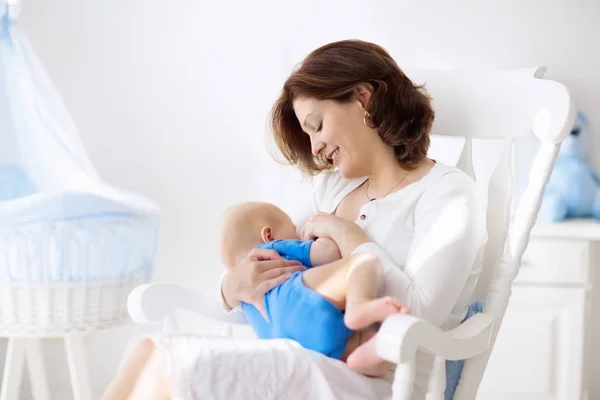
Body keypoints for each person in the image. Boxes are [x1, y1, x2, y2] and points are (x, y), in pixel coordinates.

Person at [102, 39, 487, 400]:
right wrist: (230, 286)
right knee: (148, 351)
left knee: (172, 367)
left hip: (373, 379)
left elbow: (417, 317)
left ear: (363, 98)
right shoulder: (331, 191)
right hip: (301, 357)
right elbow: (270, 256)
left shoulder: (447, 193)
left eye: (317, 125)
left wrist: (349, 235)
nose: (315, 146)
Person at [217, 200, 411, 376]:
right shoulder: (274, 248)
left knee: (374, 343)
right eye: (294, 229)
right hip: (299, 297)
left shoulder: (243, 298)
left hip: (285, 341)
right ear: (268, 235)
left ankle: (360, 355)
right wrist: (322, 237)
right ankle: (358, 305)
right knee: (364, 262)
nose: (297, 234)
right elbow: (329, 254)